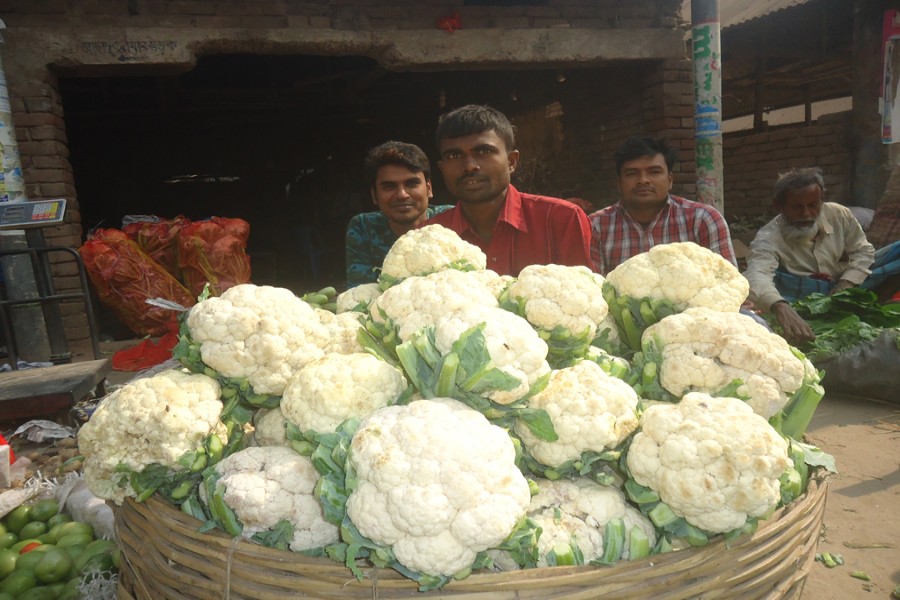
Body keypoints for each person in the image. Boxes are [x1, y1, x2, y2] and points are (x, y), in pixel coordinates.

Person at [424, 104, 592, 276]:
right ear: (442, 168)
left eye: (483, 151)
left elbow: (589, 296)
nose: (469, 166)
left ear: (512, 162)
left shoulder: (562, 220)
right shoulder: (427, 238)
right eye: (454, 155)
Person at [744, 167, 900, 344]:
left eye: (813, 205)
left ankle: (873, 306)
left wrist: (847, 281)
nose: (806, 214)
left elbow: (863, 252)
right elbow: (757, 276)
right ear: (779, 206)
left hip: (841, 285)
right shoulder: (768, 238)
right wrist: (780, 306)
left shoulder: (839, 214)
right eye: (797, 207)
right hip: (798, 295)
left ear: (822, 200)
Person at [589, 136, 737, 275]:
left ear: (670, 179)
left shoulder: (704, 220)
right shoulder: (595, 226)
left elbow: (728, 285)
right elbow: (592, 291)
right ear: (619, 183)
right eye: (632, 173)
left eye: (654, 172)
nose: (643, 180)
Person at [345, 141, 451, 287]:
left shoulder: (450, 219)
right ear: (374, 195)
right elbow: (359, 292)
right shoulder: (364, 227)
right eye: (389, 186)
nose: (402, 195)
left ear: (429, 188)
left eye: (412, 183)